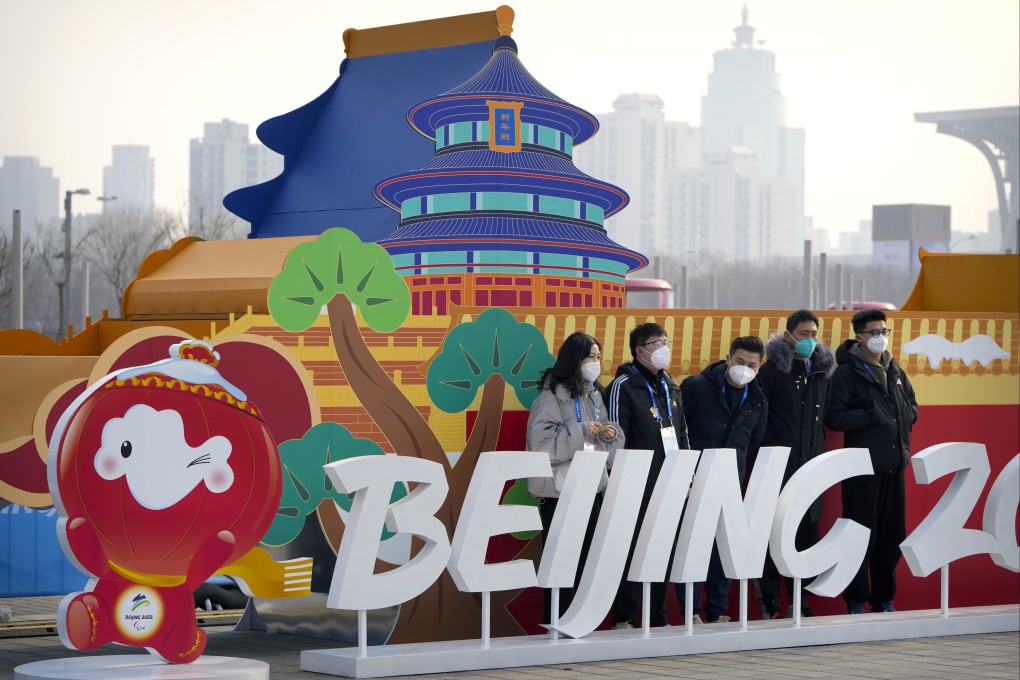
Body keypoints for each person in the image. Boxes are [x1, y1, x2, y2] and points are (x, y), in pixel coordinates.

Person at [825, 309, 917, 614]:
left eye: (885, 331)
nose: (881, 337)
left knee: (892, 537)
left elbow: (912, 406)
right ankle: (856, 600)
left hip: (894, 465)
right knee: (860, 535)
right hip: (862, 469)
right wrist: (870, 416)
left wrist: (904, 419)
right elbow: (834, 417)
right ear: (860, 337)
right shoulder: (847, 373)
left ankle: (883, 599)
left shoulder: (894, 369)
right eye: (874, 332)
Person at [526, 332, 623, 622]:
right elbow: (541, 448)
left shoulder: (595, 396)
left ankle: (580, 624)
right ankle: (556, 625)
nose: (596, 363)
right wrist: (581, 430)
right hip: (560, 494)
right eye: (590, 357)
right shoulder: (549, 397)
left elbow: (610, 448)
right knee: (560, 565)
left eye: (597, 356)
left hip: (591, 490)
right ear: (574, 360)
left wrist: (611, 433)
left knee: (586, 563)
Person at [677, 335, 768, 623]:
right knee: (690, 547)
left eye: (751, 365)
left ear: (759, 368)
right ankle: (691, 612)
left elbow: (753, 441)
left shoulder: (758, 399)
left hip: (730, 484)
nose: (744, 368)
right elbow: (679, 430)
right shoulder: (696, 387)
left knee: (721, 550)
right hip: (694, 482)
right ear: (728, 359)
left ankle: (717, 612)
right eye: (739, 362)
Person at [605, 322, 689, 629]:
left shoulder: (672, 385)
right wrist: (622, 479)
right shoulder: (622, 386)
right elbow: (614, 436)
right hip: (635, 484)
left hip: (669, 482)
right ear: (640, 351)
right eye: (657, 343)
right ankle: (624, 618)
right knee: (629, 551)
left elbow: (682, 433)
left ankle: (657, 618)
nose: (664, 348)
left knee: (661, 551)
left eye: (666, 341)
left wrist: (686, 476)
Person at [755, 309, 836, 619]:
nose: (810, 341)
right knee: (773, 535)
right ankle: (769, 600)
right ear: (788, 336)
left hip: (811, 469)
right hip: (777, 468)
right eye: (805, 334)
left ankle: (801, 601)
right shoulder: (771, 372)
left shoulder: (822, 372)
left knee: (805, 537)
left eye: (815, 335)